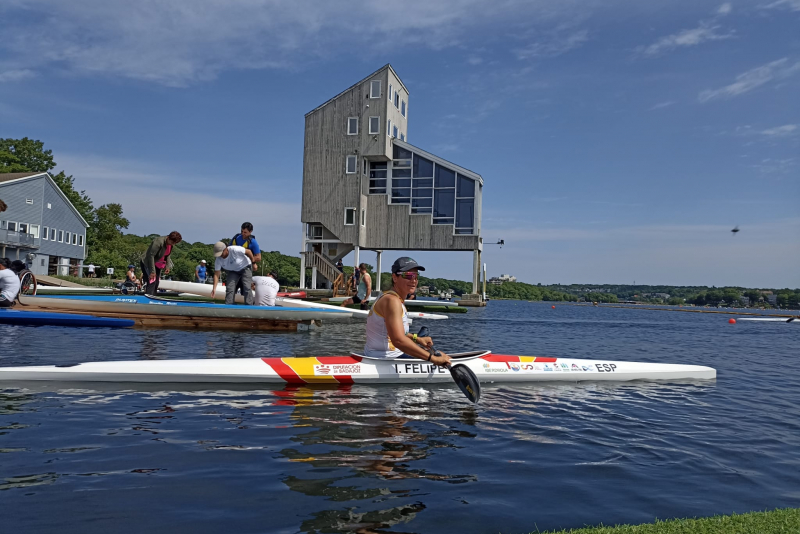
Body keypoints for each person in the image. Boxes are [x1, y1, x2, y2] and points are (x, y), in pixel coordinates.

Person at [364, 257, 450, 365]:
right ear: (395, 277)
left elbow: (395, 332)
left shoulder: (390, 297)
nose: (413, 280)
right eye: (408, 275)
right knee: (436, 357)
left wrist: (417, 339)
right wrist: (432, 359)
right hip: (385, 359)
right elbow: (399, 341)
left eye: (416, 276)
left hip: (379, 355)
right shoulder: (392, 301)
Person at [141, 231, 182, 295]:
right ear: (168, 238)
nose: (173, 244)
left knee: (157, 282)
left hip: (157, 264)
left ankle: (154, 297)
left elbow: (167, 255)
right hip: (148, 262)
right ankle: (148, 297)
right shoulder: (158, 242)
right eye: (172, 242)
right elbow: (151, 256)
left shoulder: (170, 245)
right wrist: (152, 271)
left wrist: (167, 266)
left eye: (175, 243)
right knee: (152, 281)